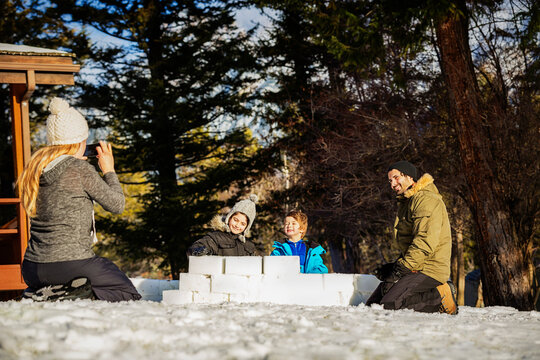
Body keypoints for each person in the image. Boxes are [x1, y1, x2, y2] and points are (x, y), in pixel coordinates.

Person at [19, 97, 141, 302]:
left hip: (32, 268)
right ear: (79, 142)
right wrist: (109, 169)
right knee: (127, 292)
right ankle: (68, 294)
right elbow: (117, 205)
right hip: (70, 265)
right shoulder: (80, 169)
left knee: (98, 276)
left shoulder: (35, 168)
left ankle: (43, 291)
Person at [366, 161, 458, 314]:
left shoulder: (426, 200)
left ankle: (440, 294)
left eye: (396, 178)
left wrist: (402, 268)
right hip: (415, 265)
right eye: (390, 180)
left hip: (429, 268)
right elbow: (410, 243)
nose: (392, 184)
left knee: (389, 305)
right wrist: (394, 266)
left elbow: (425, 241)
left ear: (409, 177)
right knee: (373, 305)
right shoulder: (407, 201)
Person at [187, 194, 258, 256]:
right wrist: (201, 251)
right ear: (229, 217)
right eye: (235, 220)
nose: (237, 225)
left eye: (243, 224)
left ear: (247, 227)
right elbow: (193, 250)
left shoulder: (249, 246)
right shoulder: (216, 238)